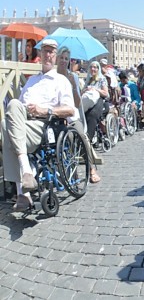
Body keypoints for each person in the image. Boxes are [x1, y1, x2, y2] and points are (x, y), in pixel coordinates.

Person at [2, 39, 75, 211]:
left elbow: (70, 109)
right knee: (8, 119)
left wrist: (44, 110)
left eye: (51, 52)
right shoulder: (31, 80)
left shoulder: (61, 80)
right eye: (45, 51)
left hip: (45, 124)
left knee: (7, 126)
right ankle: (25, 178)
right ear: (40, 54)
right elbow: (17, 107)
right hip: (24, 122)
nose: (47, 55)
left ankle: (23, 190)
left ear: (55, 56)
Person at [57, 46, 101, 183]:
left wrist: (72, 86)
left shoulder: (73, 77)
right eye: (62, 58)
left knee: (81, 135)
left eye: (66, 59)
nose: (64, 61)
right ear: (57, 59)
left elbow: (77, 103)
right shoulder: (53, 77)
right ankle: (72, 172)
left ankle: (91, 168)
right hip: (57, 116)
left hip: (72, 115)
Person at [82, 60, 110, 144]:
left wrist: (96, 89)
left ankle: (88, 139)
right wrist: (85, 90)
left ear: (98, 69)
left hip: (100, 100)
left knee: (92, 115)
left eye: (95, 67)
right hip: (89, 101)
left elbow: (106, 93)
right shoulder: (88, 79)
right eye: (91, 67)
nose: (93, 69)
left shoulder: (102, 79)